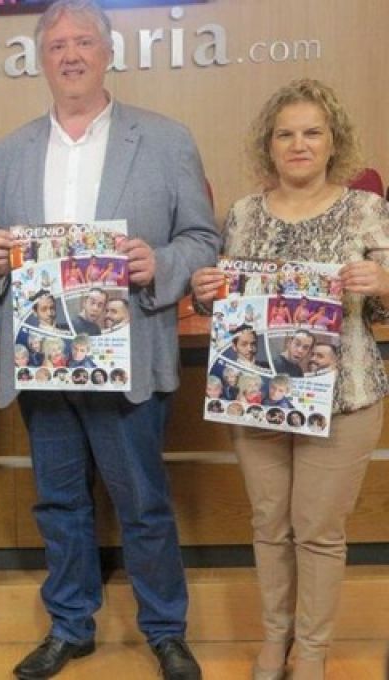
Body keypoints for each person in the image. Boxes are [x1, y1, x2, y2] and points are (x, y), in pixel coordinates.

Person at [0, 3, 220, 679]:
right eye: (57, 44)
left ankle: (165, 631)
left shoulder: (166, 139)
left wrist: (160, 264)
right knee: (58, 503)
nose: (71, 54)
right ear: (41, 59)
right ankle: (69, 626)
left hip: (129, 356)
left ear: (109, 52)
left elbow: (203, 239)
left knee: (142, 503)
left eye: (84, 41)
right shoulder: (8, 152)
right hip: (43, 360)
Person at [190, 78, 389, 680]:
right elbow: (226, 305)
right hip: (257, 396)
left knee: (318, 533)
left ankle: (314, 651)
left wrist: (382, 282)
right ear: (268, 145)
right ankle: (275, 640)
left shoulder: (367, 210)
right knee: (270, 526)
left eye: (311, 133)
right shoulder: (243, 214)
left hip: (345, 398)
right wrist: (205, 293)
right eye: (285, 135)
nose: (298, 145)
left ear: (333, 142)